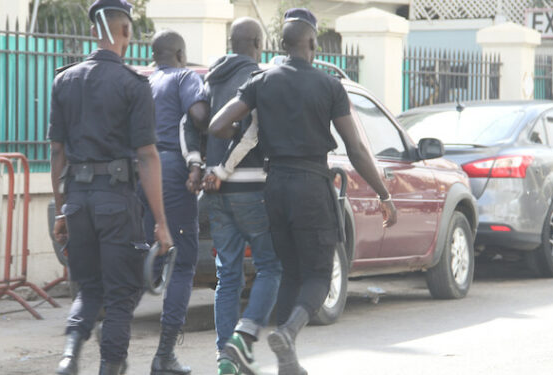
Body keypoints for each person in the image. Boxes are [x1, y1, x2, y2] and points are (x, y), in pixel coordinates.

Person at [210, 8, 398, 375]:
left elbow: (219, 124)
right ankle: (287, 331)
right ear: (312, 43)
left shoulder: (261, 81)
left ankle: (278, 356)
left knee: (290, 273)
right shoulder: (329, 85)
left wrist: (247, 139)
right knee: (318, 274)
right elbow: (357, 148)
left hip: (275, 186)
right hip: (312, 185)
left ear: (282, 44)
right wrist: (384, 195)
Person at [49, 1, 173, 375]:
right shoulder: (133, 85)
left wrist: (61, 210)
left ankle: (70, 356)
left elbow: (57, 153)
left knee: (88, 288)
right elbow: (149, 156)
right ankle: (110, 367)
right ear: (126, 33)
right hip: (116, 203)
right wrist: (162, 223)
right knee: (122, 295)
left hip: (79, 202)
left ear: (92, 33)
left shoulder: (63, 80)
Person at [197, 17, 282, 375]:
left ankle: (224, 358)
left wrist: (201, 166)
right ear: (257, 44)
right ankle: (240, 342)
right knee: (269, 266)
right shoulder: (259, 79)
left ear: (232, 43)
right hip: (250, 188)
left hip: (214, 191)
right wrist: (224, 169)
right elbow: (252, 134)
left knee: (227, 275)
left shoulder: (210, 77)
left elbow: (196, 121)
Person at [144, 29, 210, 375]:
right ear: (181, 54)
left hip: (138, 170)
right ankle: (164, 354)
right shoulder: (185, 77)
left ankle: (113, 353)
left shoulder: (144, 81)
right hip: (170, 168)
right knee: (182, 261)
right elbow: (199, 116)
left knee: (144, 254)